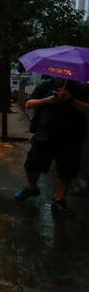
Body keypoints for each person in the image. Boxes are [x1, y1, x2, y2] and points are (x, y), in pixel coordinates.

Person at [14, 77, 89, 217]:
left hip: (72, 136)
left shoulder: (81, 88)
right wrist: (48, 100)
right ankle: (31, 187)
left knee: (67, 168)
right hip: (44, 133)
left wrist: (70, 99)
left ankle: (59, 200)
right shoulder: (45, 86)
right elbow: (29, 103)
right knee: (32, 163)